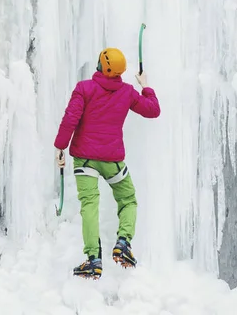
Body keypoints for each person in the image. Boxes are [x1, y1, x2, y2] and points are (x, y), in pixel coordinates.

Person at [53, 48, 160, 280]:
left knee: (89, 205)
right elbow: (153, 110)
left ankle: (93, 260)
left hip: (85, 159)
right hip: (112, 160)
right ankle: (123, 242)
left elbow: (71, 118)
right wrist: (145, 85)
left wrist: (60, 147)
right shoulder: (128, 92)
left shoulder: (84, 89)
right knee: (128, 199)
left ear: (101, 66)